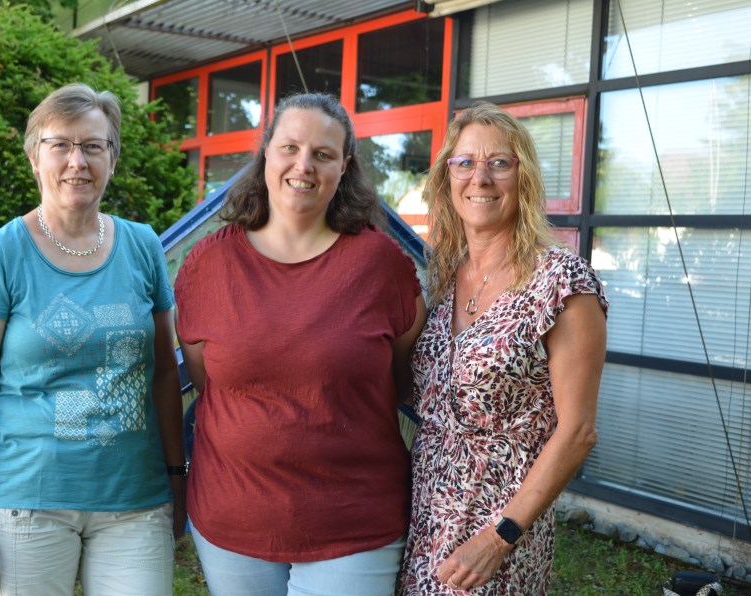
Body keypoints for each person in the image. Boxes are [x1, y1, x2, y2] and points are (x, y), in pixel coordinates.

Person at [173, 92, 427, 596]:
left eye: (323, 154)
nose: (303, 165)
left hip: (355, 523)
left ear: (344, 167)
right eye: (289, 147)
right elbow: (210, 382)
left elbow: (400, 381)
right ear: (266, 151)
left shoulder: (383, 268)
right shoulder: (208, 265)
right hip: (232, 521)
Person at [0, 83, 186, 595]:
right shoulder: (0, 253)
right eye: (61, 145)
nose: (77, 161)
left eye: (93, 146)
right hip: (24, 504)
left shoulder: (142, 246)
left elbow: (166, 372)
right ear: (35, 158)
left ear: (112, 159)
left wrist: (176, 476)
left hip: (134, 502)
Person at [398, 102, 608, 594]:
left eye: (499, 163)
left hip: (496, 538)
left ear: (524, 177)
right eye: (465, 162)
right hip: (424, 523)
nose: (480, 178)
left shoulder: (562, 282)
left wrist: (499, 538)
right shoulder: (444, 280)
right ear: (446, 178)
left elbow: (577, 432)